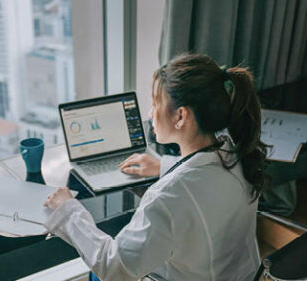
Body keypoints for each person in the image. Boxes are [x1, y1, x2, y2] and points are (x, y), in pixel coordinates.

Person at [43, 53, 270, 281]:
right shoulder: (236, 152)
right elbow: (202, 179)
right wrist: (163, 166)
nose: (151, 114)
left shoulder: (167, 197)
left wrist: (69, 212)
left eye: (155, 103)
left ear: (181, 115)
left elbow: (115, 269)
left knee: (96, 272)